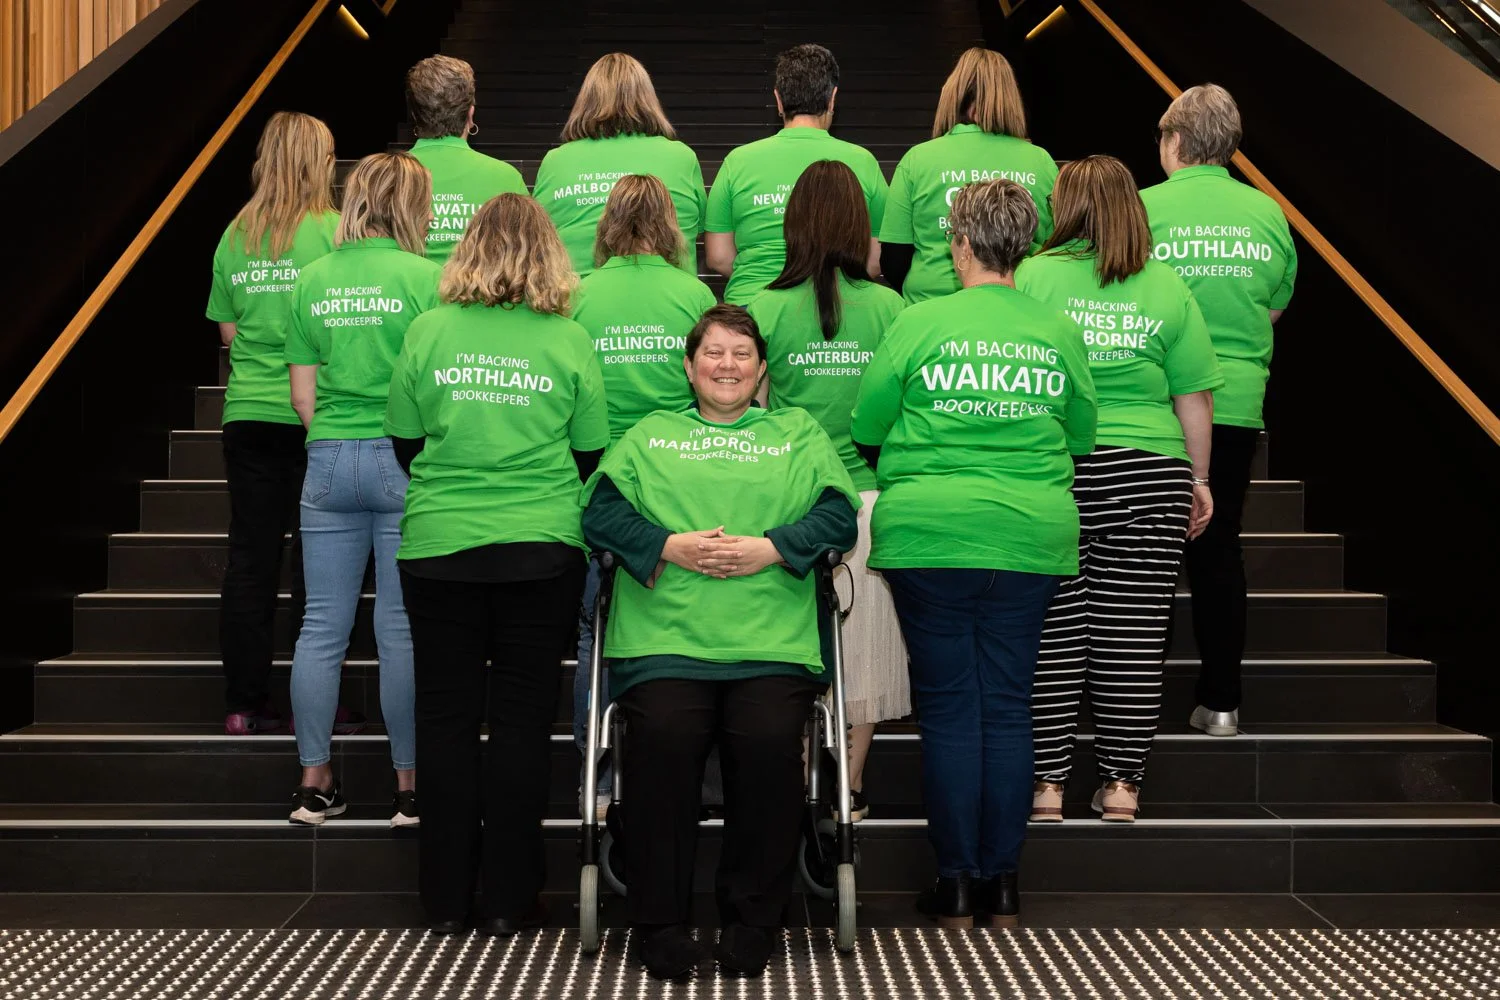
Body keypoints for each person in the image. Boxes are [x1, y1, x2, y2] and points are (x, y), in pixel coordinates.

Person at [581, 304, 858, 980]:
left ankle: (754, 918)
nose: (726, 364)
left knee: (768, 745)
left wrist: (773, 549)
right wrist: (666, 545)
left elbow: (837, 515)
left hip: (771, 644)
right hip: (664, 642)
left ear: (762, 369)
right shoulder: (650, 434)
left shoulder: (798, 432)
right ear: (688, 365)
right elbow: (601, 513)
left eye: (740, 353)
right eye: (713, 352)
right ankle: (660, 921)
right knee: (665, 741)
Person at [850, 180, 1097, 929]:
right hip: (1029, 534)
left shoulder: (922, 322)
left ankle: (957, 883)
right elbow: (1080, 437)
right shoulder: (1057, 329)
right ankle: (1005, 883)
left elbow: (868, 419)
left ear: (959, 244)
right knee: (1009, 706)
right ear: (1023, 246)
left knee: (952, 710)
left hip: (931, 534)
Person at [383, 194, 609, 935]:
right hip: (541, 549)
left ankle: (445, 900)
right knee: (519, 726)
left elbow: (407, 442)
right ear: (549, 253)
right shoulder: (568, 339)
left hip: (439, 546)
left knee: (444, 722)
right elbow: (587, 454)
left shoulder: (428, 331)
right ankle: (511, 901)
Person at [1016, 155, 1223, 823]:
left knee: (1054, 637)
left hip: (1061, 472)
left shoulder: (1034, 277)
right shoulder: (1166, 284)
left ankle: (1047, 787)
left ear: (1065, 209)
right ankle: (1122, 787)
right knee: (1133, 640)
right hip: (1151, 473)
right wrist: (1198, 479)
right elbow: (1192, 395)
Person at [282, 152, 442, 827]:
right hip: (402, 461)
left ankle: (314, 783)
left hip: (326, 457)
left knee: (322, 625)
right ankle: (408, 788)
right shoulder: (427, 279)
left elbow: (300, 394)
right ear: (411, 207)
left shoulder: (311, 279)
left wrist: (333, 442)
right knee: (400, 627)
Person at [748, 160, 907, 821]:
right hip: (868, 502)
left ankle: (794, 778)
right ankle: (851, 787)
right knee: (862, 657)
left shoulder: (762, 306)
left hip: (788, 508)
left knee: (785, 653)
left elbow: (750, 417)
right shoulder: (892, 308)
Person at [1140, 84, 1297, 737]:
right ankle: (1222, 701)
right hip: (1234, 405)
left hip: (1152, 407)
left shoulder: (1143, 209)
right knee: (1217, 547)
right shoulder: (1268, 216)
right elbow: (1274, 308)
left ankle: (1128, 704)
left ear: (1175, 141)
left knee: (1143, 555)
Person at [569, 174, 717, 813]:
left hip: (601, 480)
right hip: (675, 477)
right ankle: (692, 776)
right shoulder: (690, 294)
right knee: (682, 631)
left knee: (593, 632)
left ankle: (597, 783)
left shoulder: (578, 294)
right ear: (670, 226)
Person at [206, 111, 339, 736]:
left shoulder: (234, 235)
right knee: (317, 567)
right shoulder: (335, 233)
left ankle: (243, 702)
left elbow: (229, 336)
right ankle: (320, 702)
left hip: (248, 416)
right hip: (314, 417)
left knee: (252, 561)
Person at [705, 43, 888, 305]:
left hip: (751, 311)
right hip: (835, 308)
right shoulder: (863, 161)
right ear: (832, 98)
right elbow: (874, 259)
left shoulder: (737, 161)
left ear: (778, 100)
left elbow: (718, 256)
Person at [880, 48, 1058, 304]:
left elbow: (893, 260)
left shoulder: (917, 160)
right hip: (1016, 310)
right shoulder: (1040, 162)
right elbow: (1055, 251)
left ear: (952, 95)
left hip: (931, 312)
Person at [533, 52, 707, 279]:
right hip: (673, 303)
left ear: (586, 99)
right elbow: (701, 230)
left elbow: (537, 238)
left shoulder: (555, 162)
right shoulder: (682, 157)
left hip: (576, 305)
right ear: (648, 98)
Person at [405, 55, 528, 264]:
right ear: (470, 114)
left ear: (414, 115)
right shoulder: (506, 177)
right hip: (480, 295)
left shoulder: (383, 176)